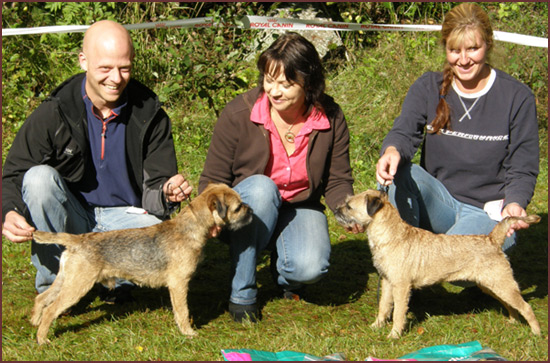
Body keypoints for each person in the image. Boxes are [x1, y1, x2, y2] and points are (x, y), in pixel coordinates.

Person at [2, 20, 192, 302]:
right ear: (83, 61)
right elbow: (14, 172)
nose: (116, 78)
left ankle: (117, 281)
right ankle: (55, 286)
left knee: (154, 221)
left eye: (124, 67)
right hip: (73, 215)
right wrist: (9, 211)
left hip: (125, 219)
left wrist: (167, 193)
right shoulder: (54, 111)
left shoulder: (150, 114)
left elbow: (157, 191)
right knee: (38, 179)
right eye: (105, 68)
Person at [199, 32, 362, 322]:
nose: (274, 91)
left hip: (299, 206)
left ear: (308, 84)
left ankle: (284, 274)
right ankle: (243, 292)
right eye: (269, 80)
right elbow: (212, 179)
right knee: (262, 189)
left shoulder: (331, 116)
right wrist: (210, 218)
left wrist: (346, 212)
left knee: (310, 268)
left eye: (286, 84)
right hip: (247, 209)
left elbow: (338, 178)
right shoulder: (238, 113)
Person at [375, 3, 539, 253]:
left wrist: (515, 202)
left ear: (489, 45)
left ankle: (430, 260)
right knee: (401, 173)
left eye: (473, 48)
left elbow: (523, 166)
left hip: (485, 212)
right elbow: (404, 131)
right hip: (439, 201)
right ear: (445, 49)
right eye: (454, 50)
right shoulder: (428, 87)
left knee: (453, 257)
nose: (463, 60)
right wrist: (392, 150)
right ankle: (403, 270)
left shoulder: (517, 97)